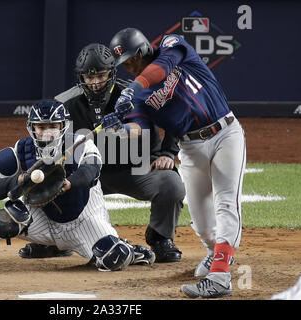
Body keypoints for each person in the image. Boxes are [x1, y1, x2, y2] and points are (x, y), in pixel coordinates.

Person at [0, 99, 155, 274]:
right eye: (40, 127)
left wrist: (67, 183)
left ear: (62, 127)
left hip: (84, 221)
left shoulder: (80, 144)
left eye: (52, 126)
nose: (46, 132)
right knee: (6, 217)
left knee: (113, 258)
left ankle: (131, 251)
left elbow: (91, 172)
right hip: (42, 220)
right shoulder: (22, 149)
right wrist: (17, 180)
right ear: (32, 128)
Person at [105, 28, 246, 298]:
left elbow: (162, 68)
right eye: (125, 66)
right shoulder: (136, 98)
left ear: (144, 49)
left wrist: (134, 87)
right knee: (203, 222)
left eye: (132, 60)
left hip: (225, 134)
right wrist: (121, 127)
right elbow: (141, 131)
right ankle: (214, 253)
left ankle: (220, 276)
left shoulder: (172, 46)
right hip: (190, 148)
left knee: (226, 202)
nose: (130, 68)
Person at [19, 43, 186, 263]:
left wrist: (168, 152)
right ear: (81, 77)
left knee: (170, 184)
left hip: (138, 167)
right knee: (49, 181)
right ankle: (54, 243)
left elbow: (175, 115)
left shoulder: (134, 94)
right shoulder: (65, 103)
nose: (95, 82)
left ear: (112, 73)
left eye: (101, 75)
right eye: (89, 77)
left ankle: (160, 238)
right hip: (89, 174)